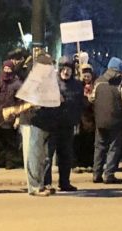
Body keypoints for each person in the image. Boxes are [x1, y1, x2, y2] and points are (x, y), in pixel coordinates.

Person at [19, 52, 59, 196]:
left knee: (45, 156)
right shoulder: (34, 80)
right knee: (35, 154)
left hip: (50, 121)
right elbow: (27, 99)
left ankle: (41, 183)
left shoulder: (51, 80)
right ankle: (35, 186)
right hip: (36, 121)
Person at [46, 56, 83, 192]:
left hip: (68, 125)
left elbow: (80, 105)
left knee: (66, 155)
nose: (66, 72)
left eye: (68, 69)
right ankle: (47, 182)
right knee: (48, 156)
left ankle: (65, 182)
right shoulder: (52, 83)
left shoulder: (77, 85)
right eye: (63, 69)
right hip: (53, 124)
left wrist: (77, 121)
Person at [91, 57, 122, 184]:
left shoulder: (98, 81)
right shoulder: (120, 84)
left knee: (99, 147)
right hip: (115, 120)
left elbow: (92, 99)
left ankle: (96, 174)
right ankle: (109, 174)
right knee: (114, 147)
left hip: (100, 120)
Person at [72, 64, 96, 173]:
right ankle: (79, 163)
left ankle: (89, 163)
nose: (86, 78)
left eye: (88, 76)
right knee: (79, 141)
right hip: (81, 119)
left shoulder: (95, 86)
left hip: (91, 119)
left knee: (90, 142)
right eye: (85, 76)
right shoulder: (78, 87)